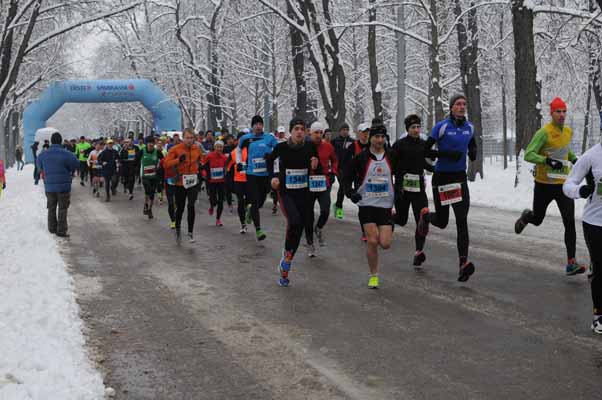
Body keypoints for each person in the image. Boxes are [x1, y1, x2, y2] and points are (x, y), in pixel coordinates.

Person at [515, 97, 585, 276]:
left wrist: (574, 159)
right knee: (538, 219)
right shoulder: (543, 133)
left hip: (562, 185)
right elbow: (529, 154)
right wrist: (546, 160)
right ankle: (526, 217)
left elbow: (564, 150)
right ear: (551, 113)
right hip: (544, 185)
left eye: (564, 111)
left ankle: (571, 262)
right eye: (558, 111)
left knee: (569, 222)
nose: (562, 115)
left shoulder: (568, 132)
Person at [417, 94, 478, 282]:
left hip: (459, 179)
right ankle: (425, 216)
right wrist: (444, 154)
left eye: (464, 104)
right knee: (443, 222)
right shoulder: (441, 127)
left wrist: (473, 152)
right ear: (451, 108)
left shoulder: (470, 128)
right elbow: (425, 151)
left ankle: (463, 264)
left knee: (462, 220)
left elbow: (473, 147)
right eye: (458, 104)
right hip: (442, 179)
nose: (462, 107)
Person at [267, 118, 319, 287]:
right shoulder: (281, 148)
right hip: (286, 192)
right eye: (296, 129)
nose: (299, 132)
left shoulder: (310, 147)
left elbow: (316, 162)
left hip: (303, 192)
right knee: (294, 221)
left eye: (302, 129)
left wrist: (315, 163)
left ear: (305, 132)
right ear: (291, 131)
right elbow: (270, 161)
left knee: (301, 225)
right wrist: (273, 178)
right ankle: (287, 256)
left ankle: (287, 258)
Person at [344, 124, 395, 289]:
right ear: (370, 138)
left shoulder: (391, 156)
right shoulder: (361, 157)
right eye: (376, 137)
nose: (380, 140)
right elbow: (346, 176)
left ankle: (388, 227)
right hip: (366, 204)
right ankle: (374, 275)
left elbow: (401, 173)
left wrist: (400, 191)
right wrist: (351, 193)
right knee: (372, 240)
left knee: (385, 243)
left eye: (382, 137)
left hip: (385, 204)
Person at [563, 142, 602, 333]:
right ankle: (598, 316)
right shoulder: (591, 156)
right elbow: (568, 185)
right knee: (601, 268)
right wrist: (580, 191)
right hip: (595, 222)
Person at [391, 115, 435, 268]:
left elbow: (423, 162)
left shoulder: (423, 144)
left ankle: (418, 252)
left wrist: (437, 169)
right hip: (402, 189)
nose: (416, 130)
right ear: (407, 129)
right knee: (401, 220)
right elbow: (391, 165)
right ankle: (389, 218)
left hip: (418, 190)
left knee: (421, 221)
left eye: (418, 127)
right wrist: (398, 181)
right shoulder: (398, 145)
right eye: (413, 127)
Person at [236, 115, 279, 241]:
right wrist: (239, 162)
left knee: (261, 200)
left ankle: (250, 210)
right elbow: (238, 150)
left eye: (260, 124)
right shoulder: (246, 138)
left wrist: (270, 155)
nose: (258, 126)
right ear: (252, 126)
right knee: (254, 201)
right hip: (252, 174)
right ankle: (258, 229)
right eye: (256, 124)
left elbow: (277, 150)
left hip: (265, 175)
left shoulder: (269, 138)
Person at [35, 132, 80, 237]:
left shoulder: (42, 155)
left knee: (51, 207)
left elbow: (39, 167)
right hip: (64, 186)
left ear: (51, 141)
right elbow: (76, 164)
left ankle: (51, 228)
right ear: (61, 141)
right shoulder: (67, 154)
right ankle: (61, 231)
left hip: (49, 186)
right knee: (63, 208)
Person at [164, 128, 204, 243]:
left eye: (192, 138)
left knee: (191, 206)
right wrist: (178, 160)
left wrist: (201, 166)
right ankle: (178, 227)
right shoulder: (175, 149)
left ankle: (190, 232)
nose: (189, 140)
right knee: (180, 207)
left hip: (193, 181)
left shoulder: (197, 148)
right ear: (183, 138)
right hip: (180, 182)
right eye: (187, 138)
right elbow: (166, 164)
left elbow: (202, 160)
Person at [305, 121, 338, 252]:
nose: (318, 135)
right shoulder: (305, 146)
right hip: (308, 183)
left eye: (320, 133)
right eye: (316, 133)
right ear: (310, 133)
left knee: (325, 210)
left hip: (324, 182)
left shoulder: (328, 146)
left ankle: (318, 228)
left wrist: (332, 172)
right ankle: (309, 242)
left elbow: (335, 160)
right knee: (309, 214)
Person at [227, 134, 250, 233]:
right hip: (238, 181)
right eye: (240, 139)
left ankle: (249, 214)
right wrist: (229, 182)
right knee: (240, 202)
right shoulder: (233, 153)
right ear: (237, 141)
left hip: (250, 181)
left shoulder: (251, 150)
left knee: (249, 202)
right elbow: (227, 168)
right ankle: (243, 224)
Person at [137, 137, 164, 219]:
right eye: (149, 143)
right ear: (146, 143)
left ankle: (149, 209)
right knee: (148, 190)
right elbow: (136, 160)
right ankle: (146, 204)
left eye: (152, 143)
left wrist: (160, 166)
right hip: (145, 176)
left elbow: (163, 161)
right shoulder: (142, 151)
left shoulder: (158, 152)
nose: (151, 144)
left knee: (151, 193)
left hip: (154, 176)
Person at [331, 123, 353, 219]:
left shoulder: (352, 141)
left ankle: (337, 205)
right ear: (340, 131)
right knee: (342, 186)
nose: (345, 131)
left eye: (346, 129)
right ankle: (339, 208)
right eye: (343, 129)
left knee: (343, 187)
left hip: (349, 168)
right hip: (338, 168)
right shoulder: (335, 141)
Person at [204, 140, 228, 226]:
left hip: (221, 181)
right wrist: (205, 175)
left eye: (220, 147)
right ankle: (211, 206)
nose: (219, 148)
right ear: (214, 147)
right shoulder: (209, 156)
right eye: (217, 146)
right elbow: (204, 166)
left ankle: (218, 219)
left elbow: (227, 168)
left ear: (222, 148)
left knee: (221, 201)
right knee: (213, 199)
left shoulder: (225, 157)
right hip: (211, 181)